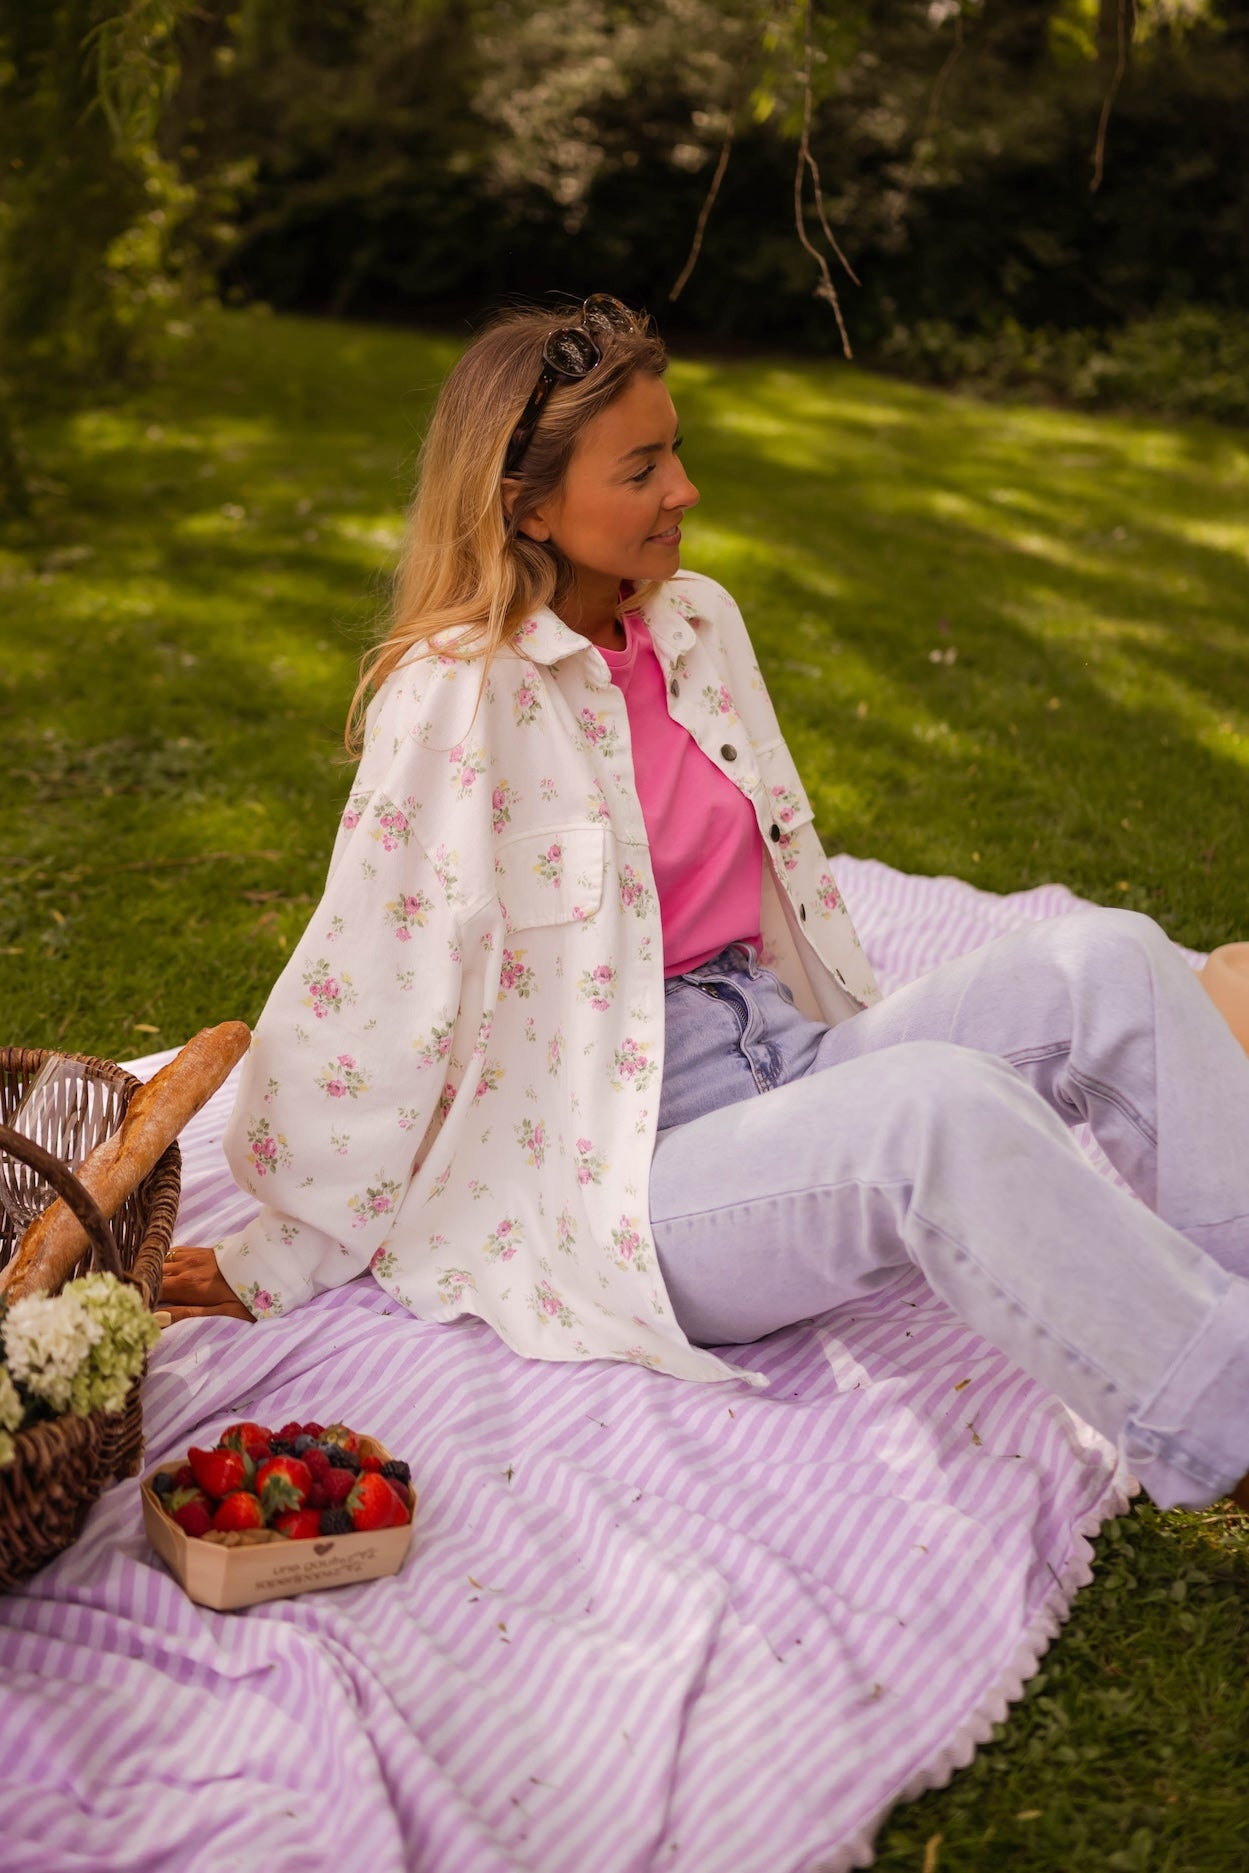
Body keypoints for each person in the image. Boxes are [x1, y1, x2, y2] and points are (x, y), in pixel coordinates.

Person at [162, 294, 1249, 1512]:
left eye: (673, 450)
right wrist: (281, 1248)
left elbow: (787, 878)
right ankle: (1234, 1424)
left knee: (1110, 961)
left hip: (782, 1053)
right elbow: (371, 982)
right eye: (641, 469)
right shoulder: (456, 697)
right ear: (525, 505)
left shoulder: (696, 624)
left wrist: (845, 1056)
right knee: (938, 1108)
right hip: (621, 1180)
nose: (684, 489)